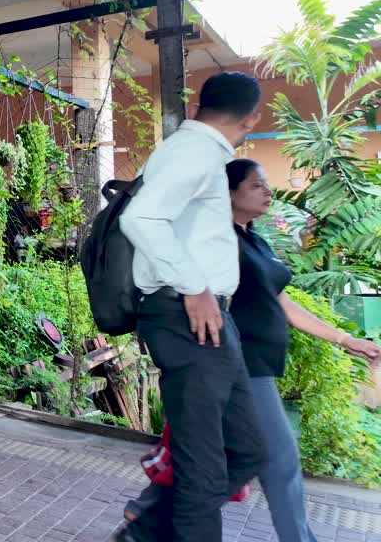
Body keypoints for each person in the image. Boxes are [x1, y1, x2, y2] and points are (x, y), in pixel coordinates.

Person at [123, 159, 381, 542]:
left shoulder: (255, 241)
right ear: (228, 194)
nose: (268, 191)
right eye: (256, 185)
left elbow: (282, 303)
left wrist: (346, 340)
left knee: (238, 458)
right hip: (238, 363)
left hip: (258, 367)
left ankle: (151, 514)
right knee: (279, 462)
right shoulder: (215, 245)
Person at [117, 71, 268, 542]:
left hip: (209, 320)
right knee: (204, 468)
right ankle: (153, 531)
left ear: (203, 105)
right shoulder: (195, 153)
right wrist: (193, 287)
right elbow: (139, 218)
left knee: (245, 450)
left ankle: (145, 530)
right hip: (187, 318)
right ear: (252, 119)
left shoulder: (201, 154)